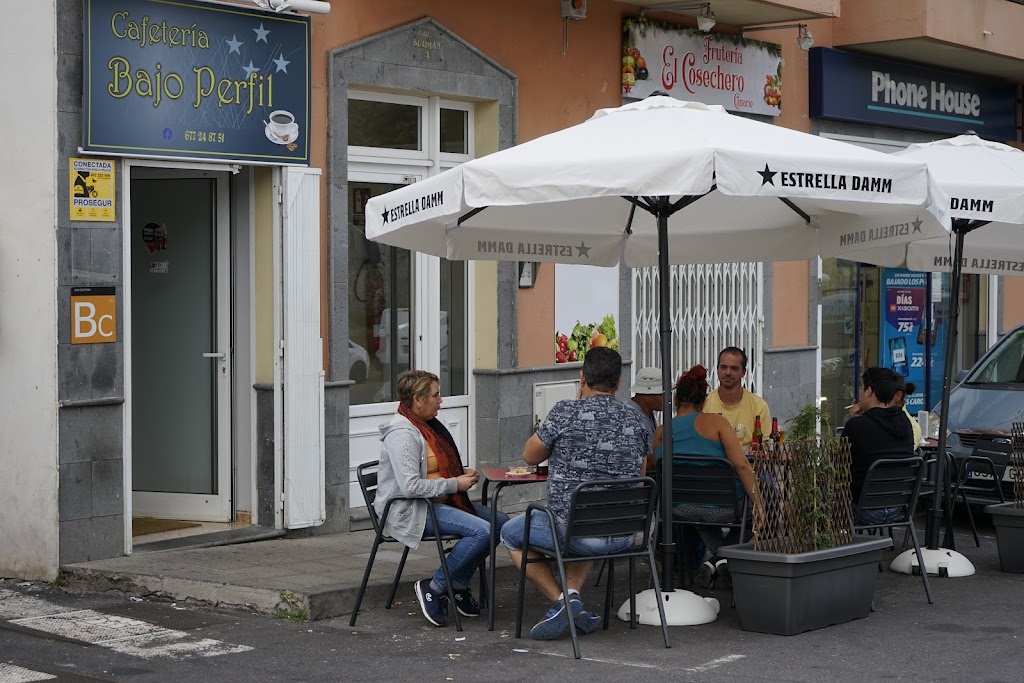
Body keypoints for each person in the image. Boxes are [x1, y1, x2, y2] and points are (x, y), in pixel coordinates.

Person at [500, 347, 650, 640]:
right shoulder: (637, 420)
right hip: (625, 533)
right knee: (586, 517)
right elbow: (641, 476)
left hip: (577, 533)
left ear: (582, 377)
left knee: (510, 533)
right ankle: (572, 599)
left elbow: (530, 456)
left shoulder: (565, 412)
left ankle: (563, 603)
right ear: (619, 382)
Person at [375, 370, 509, 628]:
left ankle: (457, 584)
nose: (441, 400)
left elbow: (434, 468)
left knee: (501, 523)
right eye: (435, 395)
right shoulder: (403, 435)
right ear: (418, 400)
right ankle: (435, 587)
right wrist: (454, 483)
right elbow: (410, 487)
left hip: (437, 501)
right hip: (410, 510)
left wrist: (460, 474)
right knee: (482, 531)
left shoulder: (426, 426)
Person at [652, 365, 756, 589]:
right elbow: (742, 465)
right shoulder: (717, 423)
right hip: (726, 507)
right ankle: (723, 558)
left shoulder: (660, 431)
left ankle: (717, 560)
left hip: (679, 509)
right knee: (757, 510)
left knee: (699, 510)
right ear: (704, 401)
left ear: (676, 399)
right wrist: (762, 503)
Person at [842, 367, 916, 524]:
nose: (860, 393)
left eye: (862, 388)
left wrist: (853, 420)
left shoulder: (857, 426)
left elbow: (837, 466)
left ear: (869, 391)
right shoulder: (905, 422)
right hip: (896, 507)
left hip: (861, 509)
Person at [702, 347, 772, 452]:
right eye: (723, 367)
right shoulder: (704, 404)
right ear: (717, 370)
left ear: (744, 372)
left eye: (734, 368)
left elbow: (765, 447)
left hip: (749, 462)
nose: (728, 372)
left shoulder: (759, 406)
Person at [626, 366, 663, 471]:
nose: (664, 399)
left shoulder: (647, 413)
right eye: (661, 394)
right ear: (646, 394)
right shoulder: (633, 417)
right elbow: (649, 462)